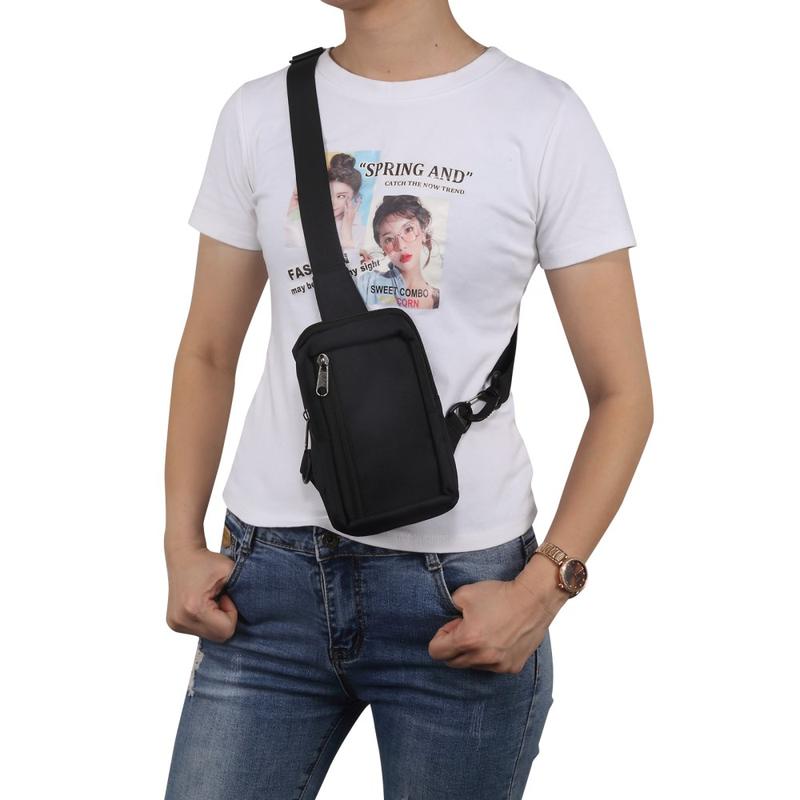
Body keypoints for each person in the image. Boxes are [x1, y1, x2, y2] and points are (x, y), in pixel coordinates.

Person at [163, 2, 653, 798]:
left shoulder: (542, 118)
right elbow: (207, 350)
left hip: (462, 590)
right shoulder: (258, 112)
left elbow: (622, 393)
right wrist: (180, 541)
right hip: (266, 584)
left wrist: (543, 590)